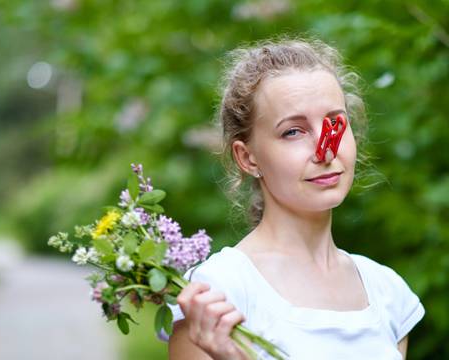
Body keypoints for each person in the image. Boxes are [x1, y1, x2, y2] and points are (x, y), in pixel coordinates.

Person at [165, 38, 425, 360]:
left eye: (334, 123)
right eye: (293, 132)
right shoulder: (218, 292)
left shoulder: (388, 292)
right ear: (248, 158)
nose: (325, 150)